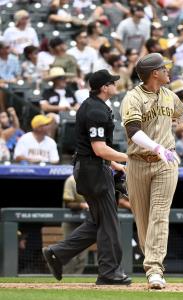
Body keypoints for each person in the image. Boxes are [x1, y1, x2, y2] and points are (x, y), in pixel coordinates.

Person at [120, 53, 183, 289]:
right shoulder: (132, 97)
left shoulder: (170, 96)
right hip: (137, 161)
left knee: (159, 214)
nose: (168, 71)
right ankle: (152, 266)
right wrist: (155, 147)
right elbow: (132, 130)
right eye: (164, 68)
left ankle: (154, 269)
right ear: (154, 73)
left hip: (166, 162)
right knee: (143, 220)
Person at [42, 69, 131, 285]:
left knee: (97, 222)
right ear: (104, 87)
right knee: (109, 222)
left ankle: (57, 253)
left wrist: (117, 165)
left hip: (92, 168)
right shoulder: (95, 111)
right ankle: (109, 272)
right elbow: (99, 149)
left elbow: (95, 152)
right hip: (93, 171)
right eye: (112, 82)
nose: (115, 85)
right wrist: (131, 157)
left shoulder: (94, 106)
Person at [61, 175, 89, 275]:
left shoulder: (92, 179)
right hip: (70, 221)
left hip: (84, 222)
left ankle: (77, 282)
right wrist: (82, 205)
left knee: (82, 257)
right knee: (70, 254)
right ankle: (66, 280)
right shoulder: (71, 180)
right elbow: (68, 202)